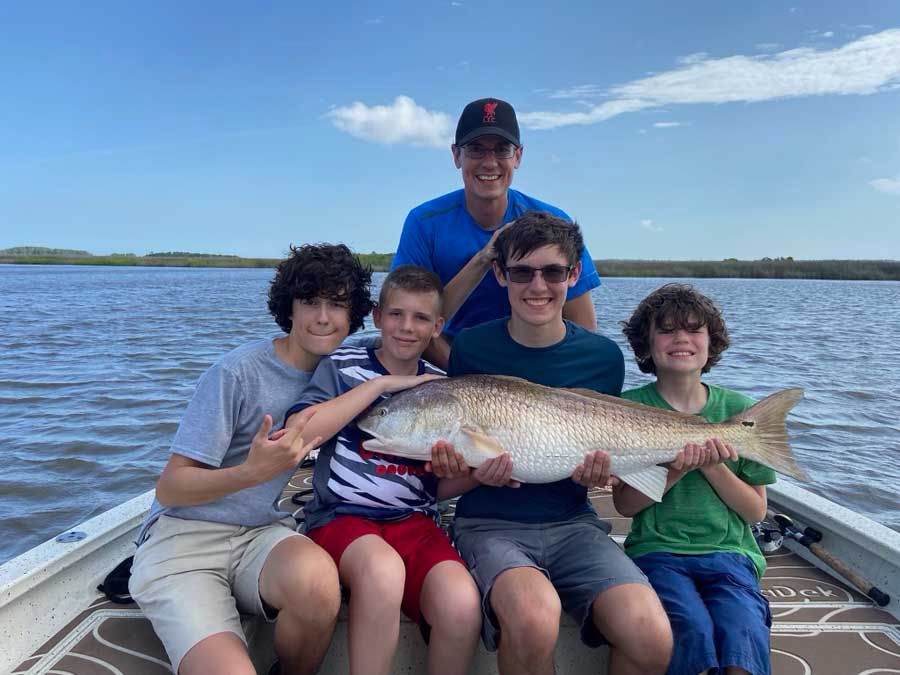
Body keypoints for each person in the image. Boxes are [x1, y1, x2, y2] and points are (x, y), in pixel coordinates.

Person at [433, 211, 673, 675]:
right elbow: (461, 440)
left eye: (553, 272)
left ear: (574, 274)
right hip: (489, 523)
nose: (537, 286)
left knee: (650, 633)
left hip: (573, 524)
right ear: (501, 274)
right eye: (522, 271)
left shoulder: (602, 358)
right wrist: (462, 469)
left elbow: (611, 445)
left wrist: (604, 472)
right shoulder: (471, 349)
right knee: (532, 618)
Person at [129, 243, 375, 675]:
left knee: (319, 585)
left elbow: (412, 334)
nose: (323, 317)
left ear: (353, 315)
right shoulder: (237, 373)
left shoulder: (345, 373)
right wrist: (251, 472)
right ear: (289, 308)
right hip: (185, 540)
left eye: (337, 305)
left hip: (262, 534)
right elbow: (170, 487)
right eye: (310, 302)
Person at [283, 264, 482, 675]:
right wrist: (378, 387)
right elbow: (300, 433)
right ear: (377, 316)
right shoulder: (342, 365)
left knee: (461, 604)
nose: (407, 327)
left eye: (421, 317)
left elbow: (436, 487)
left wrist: (476, 473)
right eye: (396, 314)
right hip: (343, 517)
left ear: (437, 326)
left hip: (416, 522)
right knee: (382, 571)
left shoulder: (442, 386)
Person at [614, 283, 775, 675]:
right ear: (647, 345)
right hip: (657, 551)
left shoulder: (738, 410)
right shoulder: (627, 408)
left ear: (711, 342)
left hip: (731, 554)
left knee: (744, 631)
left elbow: (755, 511)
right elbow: (625, 505)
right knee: (690, 629)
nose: (681, 339)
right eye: (667, 330)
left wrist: (711, 463)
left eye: (694, 329)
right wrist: (677, 466)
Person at [392, 97, 601, 368]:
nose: (489, 163)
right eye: (476, 149)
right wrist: (483, 259)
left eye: (501, 149)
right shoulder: (424, 222)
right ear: (456, 155)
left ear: (518, 156)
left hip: (536, 368)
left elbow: (583, 327)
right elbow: (408, 322)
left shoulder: (553, 221)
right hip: (451, 365)